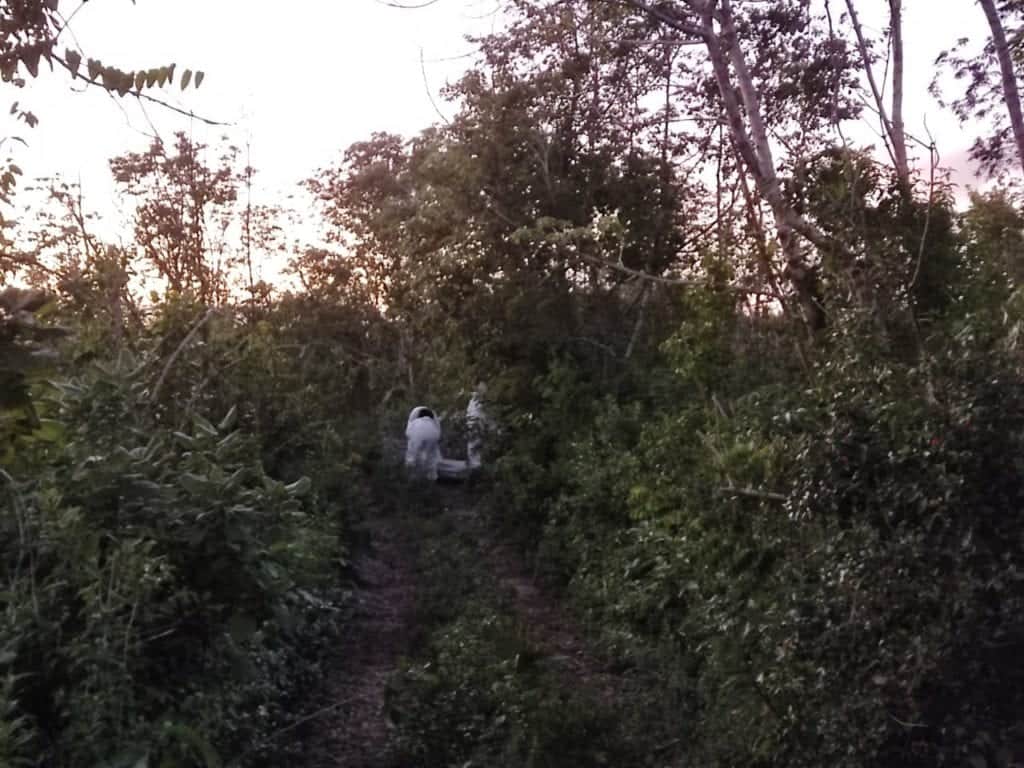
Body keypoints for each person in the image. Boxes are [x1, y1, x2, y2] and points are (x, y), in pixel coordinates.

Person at [465, 383, 491, 471]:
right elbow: (483, 416)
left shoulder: (474, 400)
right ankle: (476, 469)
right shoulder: (477, 401)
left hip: (475, 427)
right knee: (475, 449)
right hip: (476, 427)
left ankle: (475, 468)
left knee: (474, 449)